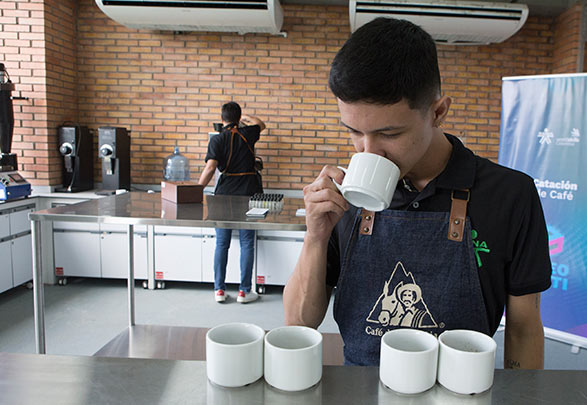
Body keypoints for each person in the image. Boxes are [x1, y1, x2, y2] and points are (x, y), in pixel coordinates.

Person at [283, 17, 552, 368]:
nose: (368, 152)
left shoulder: (510, 194)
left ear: (438, 112)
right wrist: (316, 237)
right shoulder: (343, 195)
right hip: (363, 390)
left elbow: (524, 330)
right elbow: (299, 322)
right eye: (354, 132)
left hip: (462, 390)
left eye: (389, 134)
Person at [199, 101, 266, 304]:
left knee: (221, 243)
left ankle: (219, 290)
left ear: (222, 120)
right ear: (238, 118)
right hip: (248, 194)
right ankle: (244, 292)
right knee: (247, 243)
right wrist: (244, 120)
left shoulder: (217, 140)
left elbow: (211, 168)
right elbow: (261, 124)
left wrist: (196, 190)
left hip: (223, 196)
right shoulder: (248, 134)